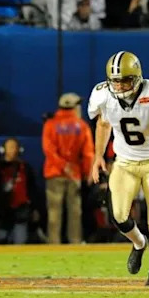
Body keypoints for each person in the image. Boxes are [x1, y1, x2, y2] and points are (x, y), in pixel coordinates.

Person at [87, 52, 149, 286]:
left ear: (138, 77)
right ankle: (138, 243)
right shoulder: (102, 94)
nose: (120, 86)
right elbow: (103, 124)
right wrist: (98, 156)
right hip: (124, 163)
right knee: (118, 216)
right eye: (116, 81)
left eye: (125, 80)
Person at [43, 92, 94, 244]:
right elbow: (88, 153)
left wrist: (62, 166)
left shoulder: (50, 125)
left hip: (54, 173)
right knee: (75, 212)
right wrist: (87, 173)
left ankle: (53, 244)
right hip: (74, 174)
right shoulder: (82, 126)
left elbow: (49, 150)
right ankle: (75, 242)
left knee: (54, 213)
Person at [0, 138, 40, 244]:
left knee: (20, 241)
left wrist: (35, 208)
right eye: (10, 147)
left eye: (14, 147)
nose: (12, 150)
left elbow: (32, 189)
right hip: (2, 212)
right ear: (3, 149)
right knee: (0, 240)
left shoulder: (26, 168)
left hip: (21, 210)